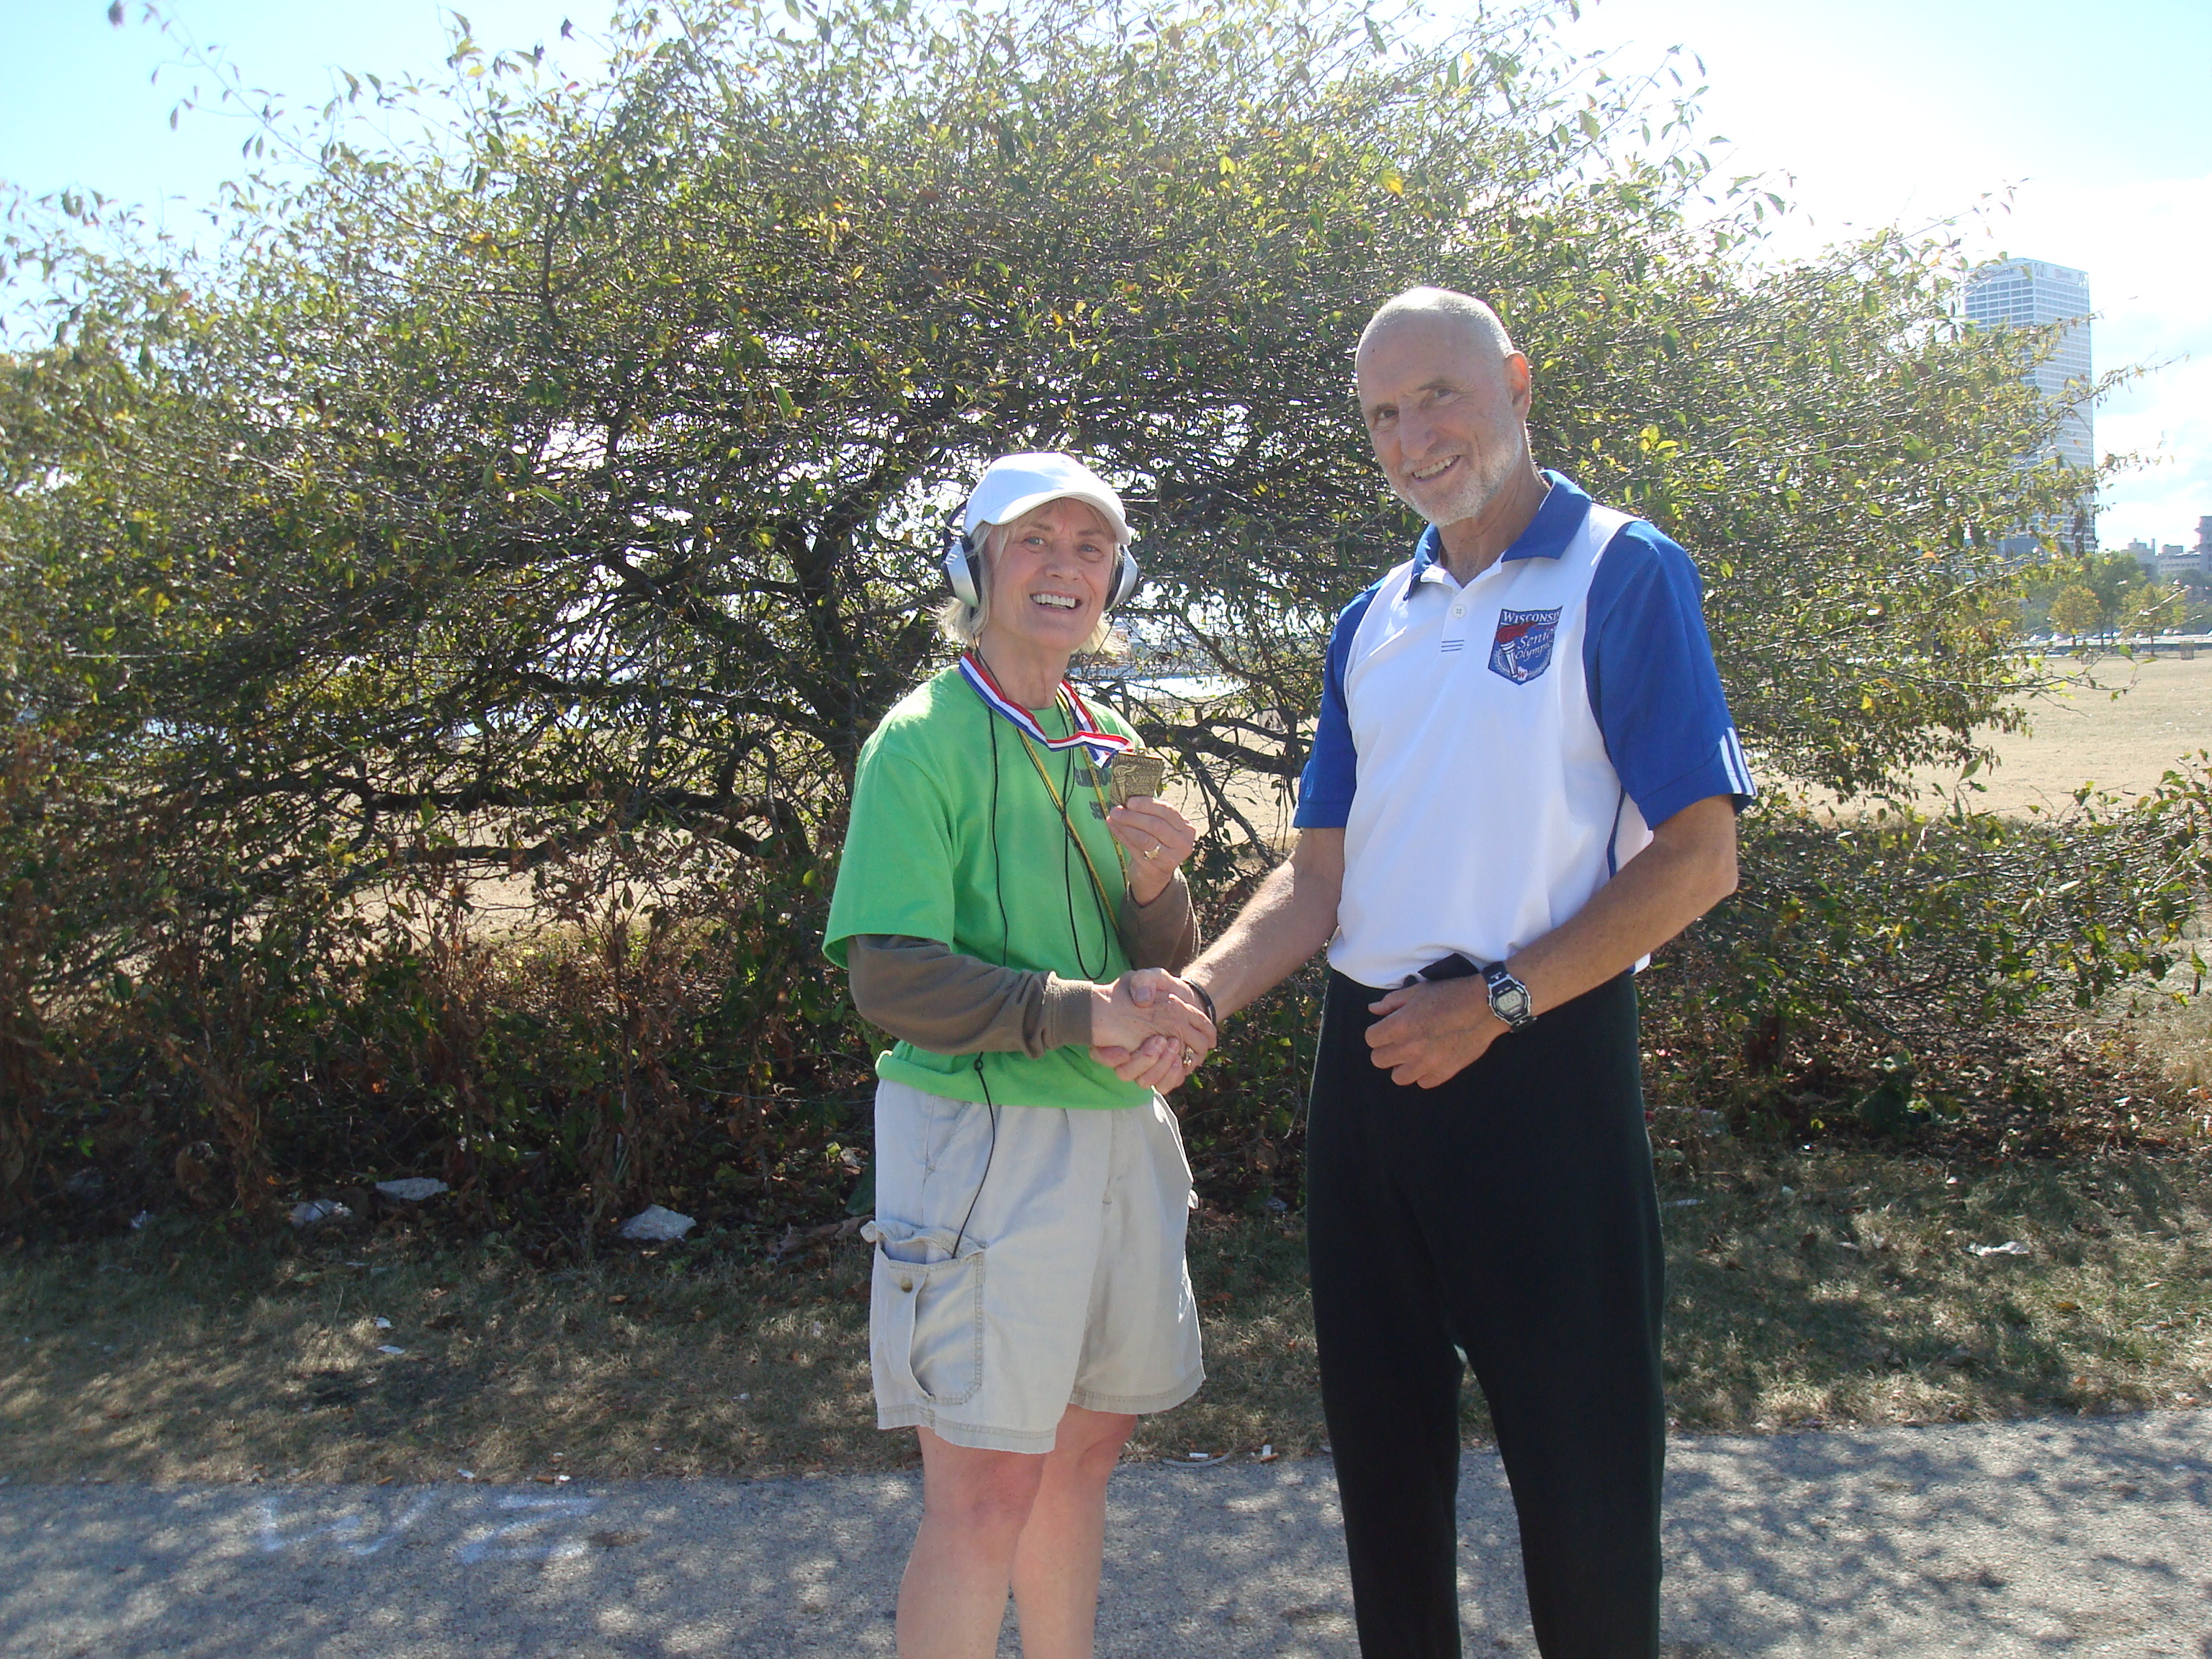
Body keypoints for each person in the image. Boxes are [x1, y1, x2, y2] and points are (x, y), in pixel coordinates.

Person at [1141, 288, 1755, 1658]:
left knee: (1585, 1470)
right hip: (1367, 1073)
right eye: (1382, 414)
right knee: (1385, 1471)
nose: (1414, 437)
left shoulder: (1621, 569)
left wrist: (1496, 1004)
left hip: (1539, 1054)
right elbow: (1316, 882)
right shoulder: (1371, 619)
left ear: (1517, 383)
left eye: (1440, 396)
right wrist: (1201, 998)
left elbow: (1699, 859)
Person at [823, 451, 1218, 1659]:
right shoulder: (919, 742)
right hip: (981, 1147)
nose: (1065, 567)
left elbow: (1156, 953)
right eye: (1034, 540)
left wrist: (1157, 898)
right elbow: (888, 977)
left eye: (1091, 547)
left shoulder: (1109, 740)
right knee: (986, 1488)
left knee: (1084, 1457)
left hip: (1117, 1138)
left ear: (1116, 580)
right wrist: (1083, 1012)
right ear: (974, 565)